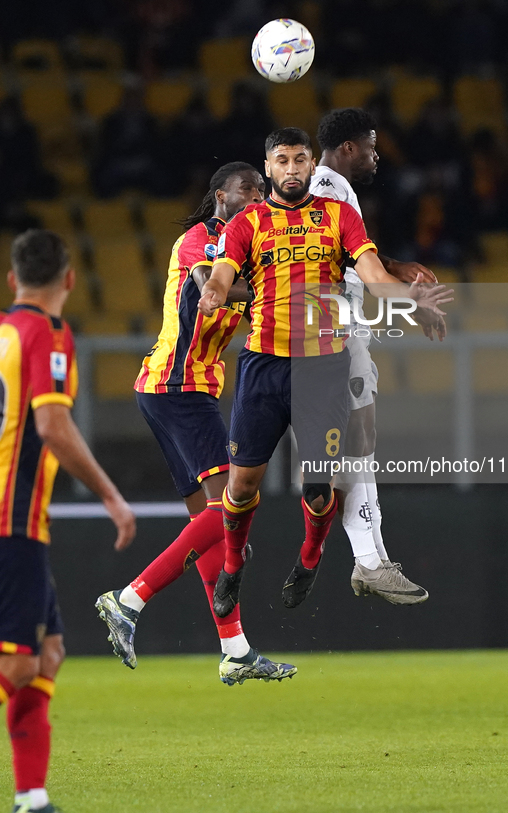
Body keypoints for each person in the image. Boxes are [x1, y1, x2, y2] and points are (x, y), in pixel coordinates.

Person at [197, 127, 452, 620]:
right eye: (282, 161)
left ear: (312, 165)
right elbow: (224, 273)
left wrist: (411, 298)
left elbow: (375, 277)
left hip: (324, 367)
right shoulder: (247, 223)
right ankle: (232, 567)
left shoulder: (339, 216)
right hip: (264, 365)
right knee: (243, 484)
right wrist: (214, 291)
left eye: (299, 159)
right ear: (268, 168)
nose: (291, 169)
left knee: (318, 487)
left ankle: (309, 560)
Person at [95, 162, 296, 686]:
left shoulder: (247, 254)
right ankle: (129, 599)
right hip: (176, 387)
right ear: (218, 196)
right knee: (234, 504)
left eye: (260, 191)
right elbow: (211, 286)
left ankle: (235, 649)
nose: (255, 198)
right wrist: (270, 291)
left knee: (210, 527)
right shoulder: (201, 240)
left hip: (179, 389)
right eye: (245, 190)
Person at [0, 229, 136, 813]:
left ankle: (32, 797)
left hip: (19, 519)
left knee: (48, 652)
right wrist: (110, 495)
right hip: (12, 519)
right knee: (21, 660)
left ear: (13, 279)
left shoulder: (3, 330)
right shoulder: (47, 332)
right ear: (70, 280)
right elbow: (52, 427)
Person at [312, 107, 440, 604]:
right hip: (331, 325)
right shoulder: (327, 186)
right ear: (348, 148)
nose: (375, 153)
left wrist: (392, 263)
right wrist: (414, 303)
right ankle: (366, 558)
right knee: (352, 444)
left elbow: (346, 248)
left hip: (340, 323)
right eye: (369, 144)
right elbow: (330, 254)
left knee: (356, 442)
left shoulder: (335, 191)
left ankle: (365, 558)